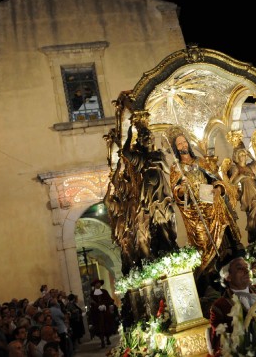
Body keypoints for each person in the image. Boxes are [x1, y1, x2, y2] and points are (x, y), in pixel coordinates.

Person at [167, 127, 242, 276]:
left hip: (208, 198)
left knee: (221, 227)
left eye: (184, 142)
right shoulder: (176, 168)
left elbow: (215, 179)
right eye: (179, 144)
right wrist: (182, 188)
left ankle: (228, 257)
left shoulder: (200, 161)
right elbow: (176, 193)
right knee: (203, 240)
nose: (183, 145)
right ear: (176, 148)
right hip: (193, 208)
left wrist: (218, 189)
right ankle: (210, 271)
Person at [121, 124, 178, 259]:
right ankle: (165, 247)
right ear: (140, 141)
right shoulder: (141, 157)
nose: (148, 139)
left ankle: (172, 242)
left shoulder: (158, 154)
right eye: (144, 137)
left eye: (149, 136)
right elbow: (125, 153)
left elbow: (168, 171)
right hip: (150, 192)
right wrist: (129, 137)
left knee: (169, 215)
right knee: (157, 217)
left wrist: (159, 162)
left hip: (162, 189)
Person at [226, 144, 256, 244]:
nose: (244, 156)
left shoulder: (250, 166)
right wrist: (241, 176)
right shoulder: (236, 168)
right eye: (241, 155)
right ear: (237, 157)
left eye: (245, 154)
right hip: (248, 193)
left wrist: (251, 155)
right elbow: (231, 182)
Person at [89, 279, 115, 349]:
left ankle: (108, 338)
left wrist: (104, 305)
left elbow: (109, 299)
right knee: (99, 326)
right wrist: (98, 306)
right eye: (97, 283)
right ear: (95, 285)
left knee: (107, 325)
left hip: (105, 311)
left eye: (100, 283)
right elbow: (92, 302)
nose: (99, 284)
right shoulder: (92, 293)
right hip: (97, 313)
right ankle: (102, 340)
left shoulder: (104, 291)